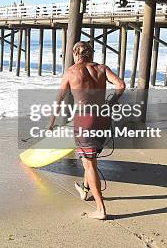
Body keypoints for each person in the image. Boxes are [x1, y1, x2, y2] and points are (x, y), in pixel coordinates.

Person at [47, 41, 125, 220]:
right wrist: (111, 103)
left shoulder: (71, 72)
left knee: (89, 163)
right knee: (90, 159)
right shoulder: (102, 68)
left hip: (85, 120)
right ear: (91, 54)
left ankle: (100, 209)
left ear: (75, 54)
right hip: (103, 118)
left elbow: (59, 98)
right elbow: (120, 85)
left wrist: (50, 123)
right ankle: (85, 188)